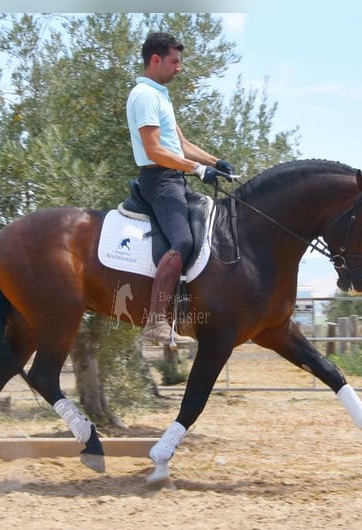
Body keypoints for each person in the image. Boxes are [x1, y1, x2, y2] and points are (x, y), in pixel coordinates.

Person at [126, 31, 235, 346]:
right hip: (158, 180)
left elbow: (182, 145)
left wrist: (216, 162)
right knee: (183, 240)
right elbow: (156, 151)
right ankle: (157, 321)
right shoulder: (144, 96)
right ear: (156, 60)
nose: (179, 67)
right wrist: (200, 171)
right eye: (175, 61)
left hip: (174, 178)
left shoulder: (160, 95)